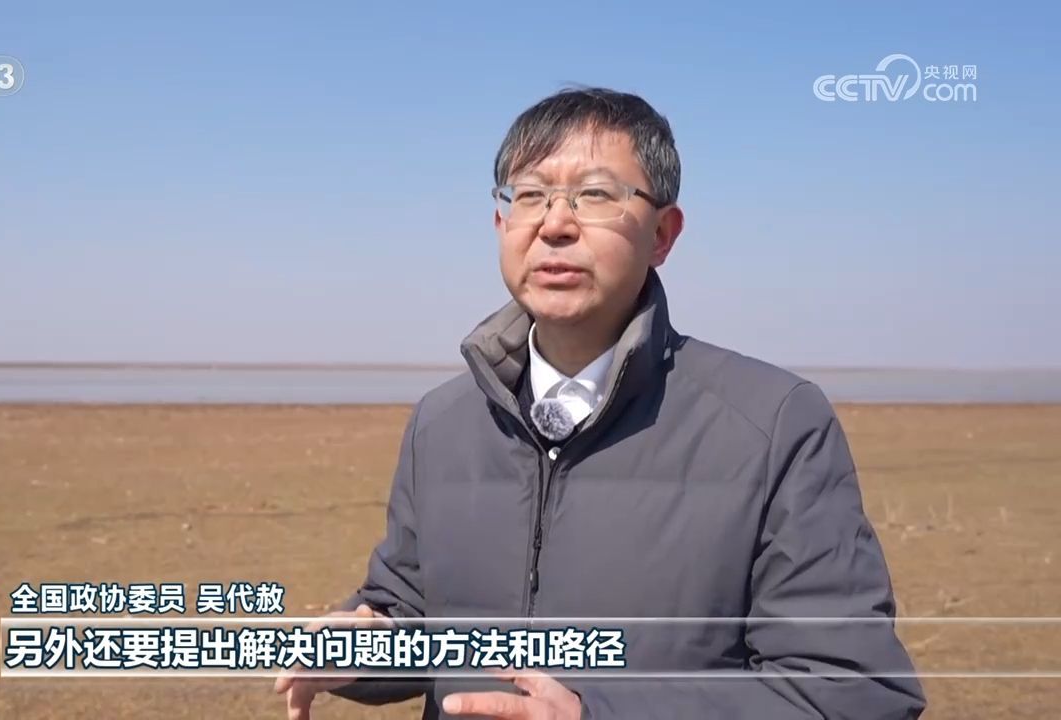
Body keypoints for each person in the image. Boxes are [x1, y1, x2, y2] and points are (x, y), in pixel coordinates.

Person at [275, 86, 925, 719]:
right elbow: (414, 609)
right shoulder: (443, 423)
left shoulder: (772, 424)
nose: (555, 225)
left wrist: (597, 710)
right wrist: (359, 648)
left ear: (663, 233)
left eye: (595, 195)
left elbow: (851, 688)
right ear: (501, 224)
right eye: (530, 196)